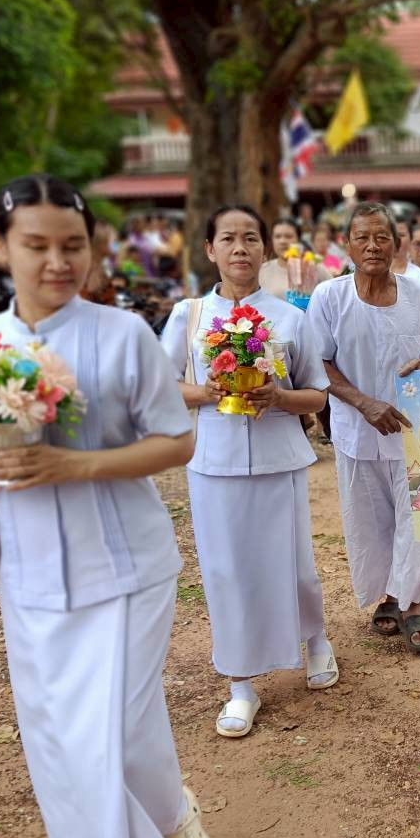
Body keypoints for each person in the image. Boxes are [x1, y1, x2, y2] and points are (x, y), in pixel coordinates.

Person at [0, 175, 216, 838]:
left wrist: (74, 466)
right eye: (37, 245)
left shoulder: (124, 336)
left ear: (92, 250)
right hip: (30, 575)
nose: (58, 262)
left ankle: (177, 821)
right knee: (57, 730)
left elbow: (177, 440)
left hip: (127, 564)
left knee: (116, 726)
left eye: (72, 246)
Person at [161, 203, 339, 739]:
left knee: (296, 562)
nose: (241, 249)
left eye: (252, 239)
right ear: (210, 249)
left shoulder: (290, 318)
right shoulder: (187, 317)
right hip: (212, 462)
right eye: (229, 239)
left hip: (279, 457)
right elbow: (161, 384)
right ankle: (241, 684)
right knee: (225, 571)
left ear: (266, 251)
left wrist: (279, 396)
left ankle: (316, 639)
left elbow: (317, 394)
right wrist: (206, 391)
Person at [309, 202, 420, 654]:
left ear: (397, 244)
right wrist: (364, 403)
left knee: (417, 519)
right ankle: (387, 597)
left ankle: (414, 604)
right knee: (370, 521)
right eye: (362, 237)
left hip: (411, 430)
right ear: (347, 245)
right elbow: (319, 363)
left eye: (382, 237)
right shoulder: (330, 298)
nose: (373, 246)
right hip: (356, 430)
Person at [259, 217, 331, 306]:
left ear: (298, 239)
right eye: (277, 236)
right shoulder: (262, 270)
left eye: (288, 236)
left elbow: (335, 294)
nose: (282, 241)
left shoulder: (314, 267)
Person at [393, 217, 420, 285]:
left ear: (411, 239)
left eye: (401, 235)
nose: (397, 240)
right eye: (393, 235)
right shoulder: (375, 273)